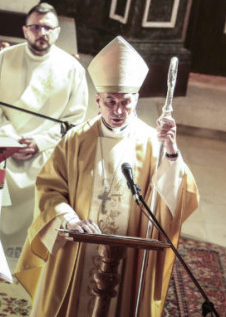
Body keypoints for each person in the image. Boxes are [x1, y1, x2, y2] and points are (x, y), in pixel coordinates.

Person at [15, 36, 200, 316]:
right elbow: (49, 190)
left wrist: (172, 151)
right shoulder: (76, 140)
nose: (118, 111)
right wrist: (70, 220)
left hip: (129, 250)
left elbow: (178, 199)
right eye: (110, 102)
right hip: (79, 247)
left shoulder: (154, 143)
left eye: (125, 102)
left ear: (136, 99)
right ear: (98, 101)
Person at [0, 2, 88, 263]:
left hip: (46, 150)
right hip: (3, 145)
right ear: (25, 30)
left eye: (48, 27)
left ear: (57, 32)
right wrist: (10, 141)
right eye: (35, 27)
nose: (41, 33)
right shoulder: (2, 60)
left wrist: (40, 142)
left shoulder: (72, 70)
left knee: (51, 178)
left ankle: (29, 256)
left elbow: (74, 120)